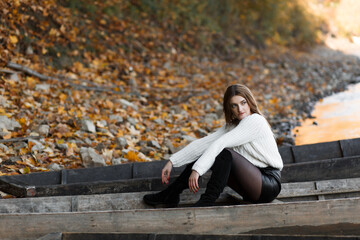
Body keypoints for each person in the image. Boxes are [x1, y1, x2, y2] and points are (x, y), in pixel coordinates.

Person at [143, 84, 283, 207]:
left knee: (223, 152)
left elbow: (220, 143)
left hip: (267, 184)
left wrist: (197, 170)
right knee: (213, 151)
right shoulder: (233, 125)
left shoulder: (255, 120)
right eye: (234, 105)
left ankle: (207, 201)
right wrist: (172, 161)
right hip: (250, 184)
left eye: (243, 103)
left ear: (250, 102)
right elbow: (204, 143)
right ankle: (171, 194)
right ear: (229, 108)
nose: (240, 109)